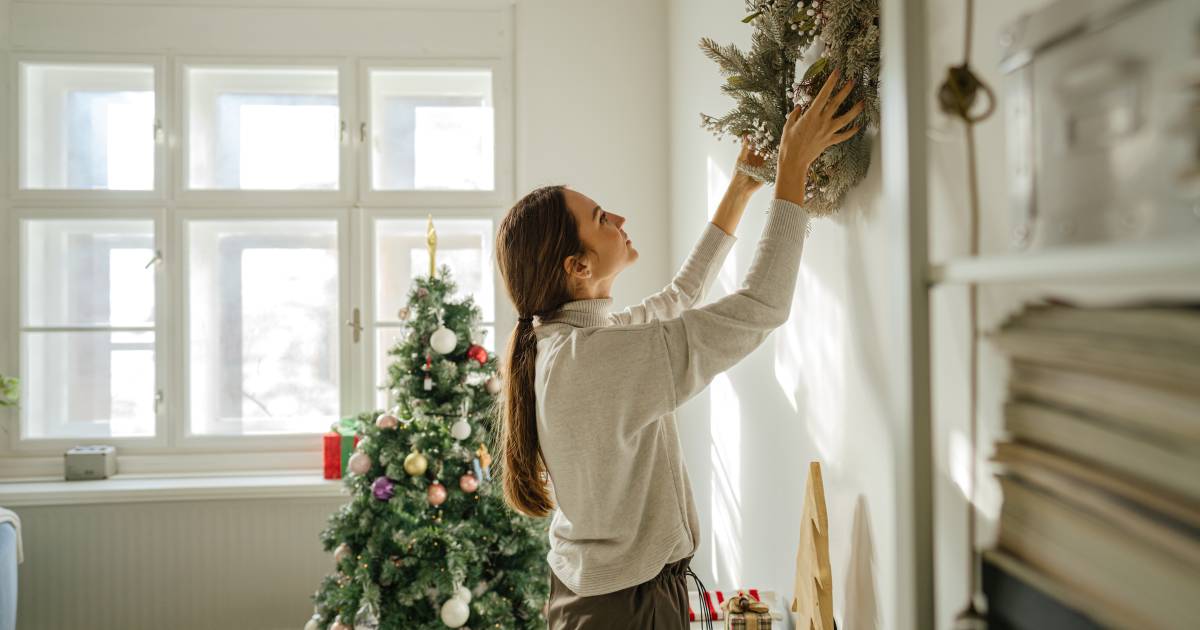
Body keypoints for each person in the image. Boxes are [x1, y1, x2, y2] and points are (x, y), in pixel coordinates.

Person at [493, 68, 863, 629]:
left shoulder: (572, 343)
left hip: (610, 598)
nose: (619, 219)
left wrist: (740, 189)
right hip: (625, 610)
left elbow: (677, 298)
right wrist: (793, 170)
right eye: (601, 219)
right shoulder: (593, 361)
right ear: (578, 267)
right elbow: (762, 306)